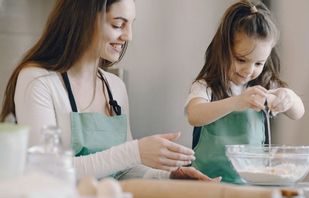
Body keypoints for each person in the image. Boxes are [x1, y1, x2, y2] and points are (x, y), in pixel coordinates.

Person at [0, 0, 221, 182]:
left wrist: (169, 176)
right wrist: (135, 151)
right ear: (83, 21)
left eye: (131, 24)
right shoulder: (38, 81)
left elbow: (124, 170)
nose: (128, 36)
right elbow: (48, 173)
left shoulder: (115, 87)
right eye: (118, 24)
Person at [185, 0, 305, 184]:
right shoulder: (207, 86)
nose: (249, 70)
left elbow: (298, 113)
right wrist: (237, 102)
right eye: (241, 59)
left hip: (249, 184)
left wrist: (288, 98)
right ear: (222, 50)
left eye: (258, 63)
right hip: (207, 184)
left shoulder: (263, 85)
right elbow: (194, 115)